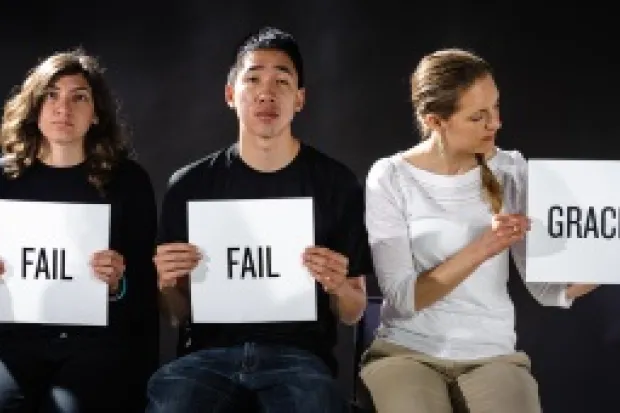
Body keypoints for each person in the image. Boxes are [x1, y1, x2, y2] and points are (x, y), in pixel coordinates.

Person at [146, 26, 372, 413]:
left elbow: (354, 310)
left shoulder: (335, 182)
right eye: (253, 79)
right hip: (207, 357)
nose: (267, 93)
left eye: (282, 81)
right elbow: (177, 314)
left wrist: (336, 285)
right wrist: (167, 284)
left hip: (299, 358)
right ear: (230, 94)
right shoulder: (189, 185)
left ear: (300, 99)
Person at [360, 48, 598, 413]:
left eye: (496, 108)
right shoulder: (390, 177)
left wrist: (606, 259)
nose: (496, 124)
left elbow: (548, 290)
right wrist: (485, 246)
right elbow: (404, 297)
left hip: (492, 354)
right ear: (435, 121)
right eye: (478, 116)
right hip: (407, 352)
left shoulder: (511, 170)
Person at [0, 50, 159, 412]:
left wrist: (119, 284)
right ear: (34, 107)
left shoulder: (128, 183)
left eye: (79, 97)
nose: (63, 108)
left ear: (96, 113)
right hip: (11, 342)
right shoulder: (3, 180)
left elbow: (145, 294)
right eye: (51, 95)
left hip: (95, 344)